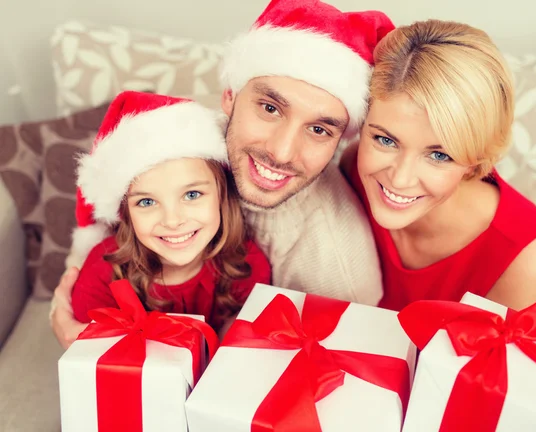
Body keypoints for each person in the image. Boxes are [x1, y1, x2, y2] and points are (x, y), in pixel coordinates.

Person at [51, 0, 396, 347]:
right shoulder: (174, 141)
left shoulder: (336, 266)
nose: (281, 152)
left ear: (340, 139)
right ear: (228, 98)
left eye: (319, 130)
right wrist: (75, 311)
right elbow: (101, 235)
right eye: (270, 108)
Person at [341, 19, 536, 432]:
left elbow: (492, 406)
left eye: (439, 155)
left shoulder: (522, 254)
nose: (400, 179)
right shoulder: (349, 170)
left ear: (475, 161)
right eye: (385, 140)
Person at [70, 90, 271, 333]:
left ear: (221, 195)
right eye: (146, 202)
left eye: (192, 195)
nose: (173, 221)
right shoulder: (102, 274)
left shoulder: (246, 266)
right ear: (125, 214)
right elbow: (95, 362)